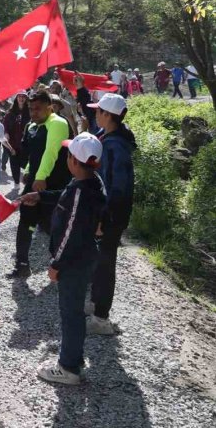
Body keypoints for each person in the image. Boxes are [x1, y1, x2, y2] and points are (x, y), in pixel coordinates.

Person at [23, 133, 107, 385]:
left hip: (74, 261)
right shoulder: (91, 182)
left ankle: (68, 367)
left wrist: (56, 264)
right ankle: (74, 357)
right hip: (85, 256)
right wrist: (41, 196)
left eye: (68, 154)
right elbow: (69, 197)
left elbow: (70, 232)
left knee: (70, 313)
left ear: (72, 160)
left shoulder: (80, 193)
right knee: (74, 310)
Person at [8, 91, 71, 278]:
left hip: (53, 183)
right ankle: (22, 264)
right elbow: (33, 154)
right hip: (35, 181)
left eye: (38, 108)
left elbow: (51, 151)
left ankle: (64, 266)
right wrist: (28, 171)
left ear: (50, 107)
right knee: (25, 221)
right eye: (30, 108)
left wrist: (41, 177)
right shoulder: (31, 126)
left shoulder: (58, 123)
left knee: (53, 227)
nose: (33, 112)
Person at [87, 93, 136, 335]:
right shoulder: (106, 137)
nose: (95, 114)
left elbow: (119, 190)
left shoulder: (117, 147)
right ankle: (95, 302)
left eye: (98, 111)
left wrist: (104, 220)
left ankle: (101, 319)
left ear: (108, 115)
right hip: (103, 214)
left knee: (105, 264)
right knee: (98, 260)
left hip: (111, 216)